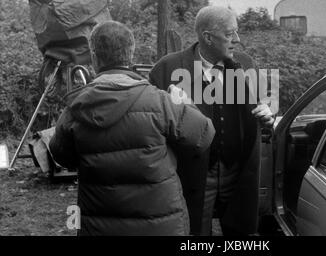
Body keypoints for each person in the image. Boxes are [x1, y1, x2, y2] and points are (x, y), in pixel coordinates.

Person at [49, 21, 215, 236]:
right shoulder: (163, 103)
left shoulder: (75, 109)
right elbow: (203, 135)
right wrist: (186, 103)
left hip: (99, 225)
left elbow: (62, 156)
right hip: (161, 226)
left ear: (94, 57)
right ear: (131, 54)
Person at [149, 6, 274, 235]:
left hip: (239, 171)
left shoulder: (246, 64)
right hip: (192, 173)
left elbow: (263, 105)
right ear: (207, 37)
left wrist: (267, 114)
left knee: (242, 235)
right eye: (229, 34)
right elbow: (152, 127)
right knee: (192, 233)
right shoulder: (167, 68)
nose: (237, 40)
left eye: (236, 32)